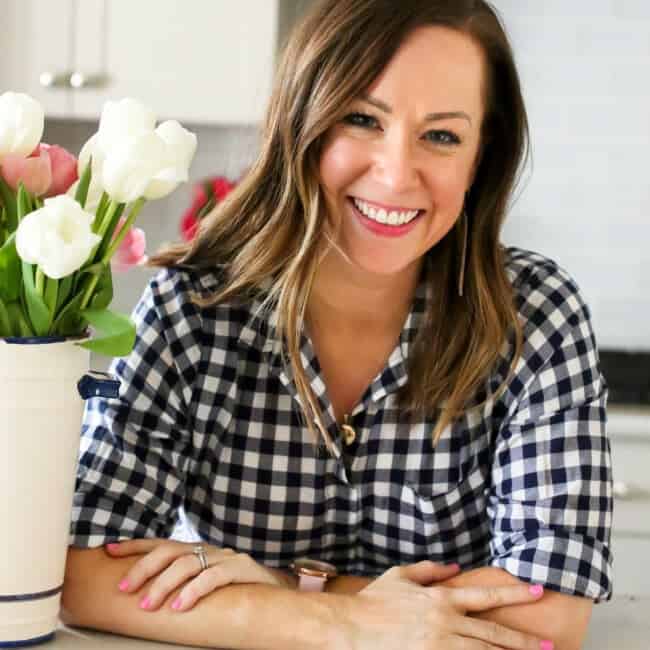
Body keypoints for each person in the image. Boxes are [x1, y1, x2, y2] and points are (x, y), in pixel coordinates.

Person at [62, 1, 613, 649]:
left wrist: (274, 587)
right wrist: (343, 619)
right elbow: (84, 575)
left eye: (441, 135)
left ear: (478, 158)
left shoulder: (535, 315)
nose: (395, 173)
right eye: (362, 119)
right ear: (304, 123)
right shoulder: (195, 307)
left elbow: (546, 614)